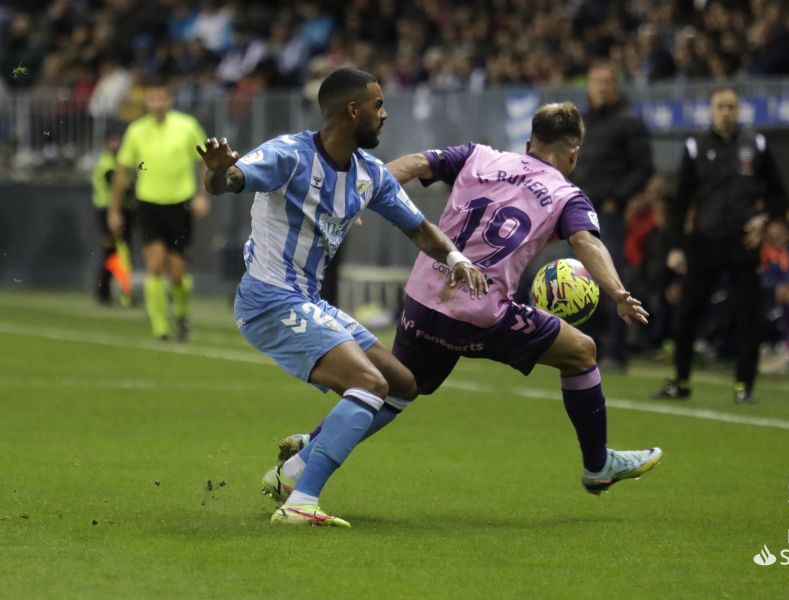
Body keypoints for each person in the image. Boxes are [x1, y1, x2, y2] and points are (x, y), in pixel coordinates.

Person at [270, 102, 661, 517]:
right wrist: (617, 292)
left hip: (422, 299)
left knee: (397, 389)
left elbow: (416, 164)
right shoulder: (568, 195)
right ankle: (597, 464)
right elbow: (587, 243)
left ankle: (310, 451)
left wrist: (356, 196)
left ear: (529, 143)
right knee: (581, 352)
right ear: (574, 153)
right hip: (480, 313)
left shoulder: (480, 156)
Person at [197, 67, 487, 527]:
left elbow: (418, 228)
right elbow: (230, 180)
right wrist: (215, 174)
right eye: (378, 105)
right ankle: (300, 500)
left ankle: (294, 469)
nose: (384, 113)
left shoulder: (368, 174)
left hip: (307, 300)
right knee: (369, 385)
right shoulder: (288, 156)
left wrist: (456, 260)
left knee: (403, 385)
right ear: (353, 110)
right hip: (270, 299)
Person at [654, 87, 786, 404]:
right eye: (720, 107)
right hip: (705, 241)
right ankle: (681, 380)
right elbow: (681, 201)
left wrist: (764, 218)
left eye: (731, 106)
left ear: (739, 110)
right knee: (687, 313)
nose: (726, 112)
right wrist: (676, 246)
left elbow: (779, 193)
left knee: (747, 315)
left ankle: (744, 386)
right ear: (711, 111)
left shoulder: (756, 144)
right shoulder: (695, 146)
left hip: (743, 241)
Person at [108, 79, 209, 341]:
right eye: (152, 99)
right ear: (147, 102)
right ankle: (160, 327)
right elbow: (123, 171)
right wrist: (114, 209)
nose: (158, 104)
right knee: (154, 265)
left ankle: (181, 316)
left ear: (169, 100)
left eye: (162, 98)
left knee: (177, 273)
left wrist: (202, 195)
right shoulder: (136, 130)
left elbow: (206, 160)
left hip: (179, 204)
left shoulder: (187, 126)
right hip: (149, 203)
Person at [569, 63, 654, 372]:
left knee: (612, 282)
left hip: (608, 215)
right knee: (579, 282)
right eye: (596, 82)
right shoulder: (582, 121)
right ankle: (584, 349)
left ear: (615, 86)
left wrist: (618, 199)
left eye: (606, 82)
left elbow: (643, 168)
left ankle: (617, 352)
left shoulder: (629, 122)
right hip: (578, 212)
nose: (601, 88)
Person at [92, 128, 134, 306]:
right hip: (107, 211)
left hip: (118, 210)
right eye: (113, 141)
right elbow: (116, 182)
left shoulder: (117, 162)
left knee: (117, 253)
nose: (117, 145)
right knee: (112, 253)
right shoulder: (107, 163)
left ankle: (115, 292)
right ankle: (104, 292)